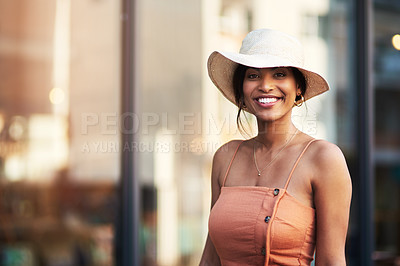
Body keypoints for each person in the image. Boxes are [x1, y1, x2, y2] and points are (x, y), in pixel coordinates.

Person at [199, 29, 352, 265]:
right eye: (253, 76)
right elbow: (210, 259)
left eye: (279, 74)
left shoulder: (323, 158)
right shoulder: (225, 157)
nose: (266, 86)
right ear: (241, 90)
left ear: (298, 88)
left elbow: (332, 261)